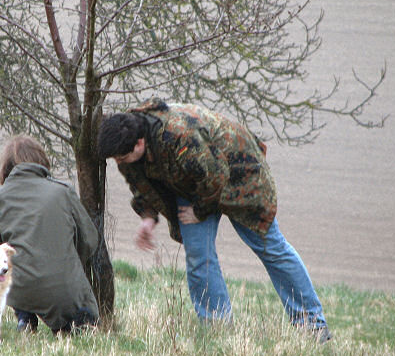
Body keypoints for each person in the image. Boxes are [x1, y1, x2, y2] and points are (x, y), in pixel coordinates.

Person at [97, 98, 331, 342]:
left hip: (241, 174)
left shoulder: (179, 135)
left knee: (271, 247)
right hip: (192, 183)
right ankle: (216, 330)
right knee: (199, 255)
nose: (119, 164)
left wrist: (199, 211)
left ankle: (312, 325)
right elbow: (140, 182)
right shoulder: (123, 140)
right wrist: (147, 217)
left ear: (140, 144)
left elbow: (216, 176)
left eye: (122, 159)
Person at [0, 135, 99, 335]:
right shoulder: (62, 192)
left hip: (17, 290)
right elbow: (90, 240)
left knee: (16, 274)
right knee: (84, 325)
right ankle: (68, 327)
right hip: (62, 288)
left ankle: (24, 319)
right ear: (41, 161)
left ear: (5, 167)